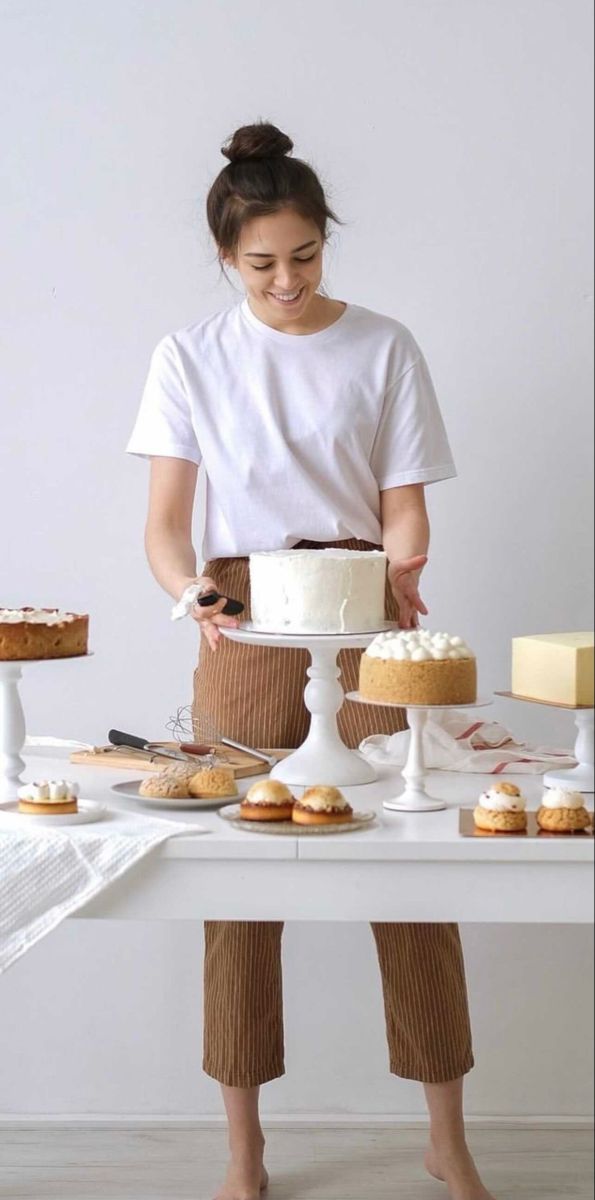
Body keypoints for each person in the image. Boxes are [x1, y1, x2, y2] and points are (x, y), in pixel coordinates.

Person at [127, 122, 496, 1200]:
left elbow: (402, 503)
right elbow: (164, 523)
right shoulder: (188, 355)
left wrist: (408, 561)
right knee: (236, 889)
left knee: (412, 868)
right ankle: (244, 1151)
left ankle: (448, 1138)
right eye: (260, 263)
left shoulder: (383, 345)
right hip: (239, 621)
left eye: (304, 256)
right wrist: (182, 590)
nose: (285, 281)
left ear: (325, 242)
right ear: (224, 257)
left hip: (364, 608)